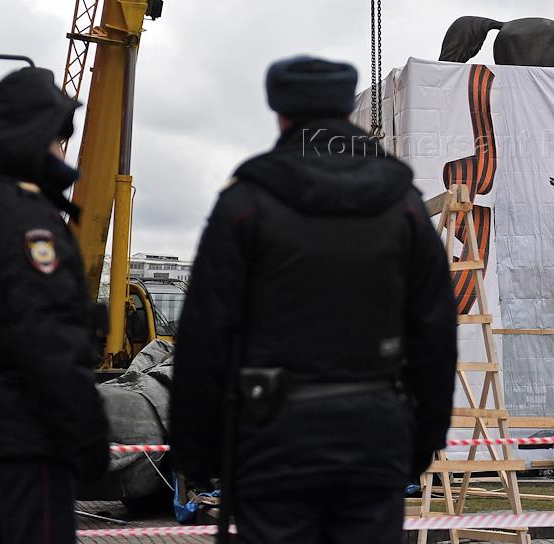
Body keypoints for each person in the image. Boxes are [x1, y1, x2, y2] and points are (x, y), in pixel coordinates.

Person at [170, 55, 457, 544]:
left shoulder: (245, 203)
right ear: (347, 108)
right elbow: (435, 334)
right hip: (374, 433)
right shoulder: (403, 204)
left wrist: (196, 456)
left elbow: (203, 338)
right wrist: (421, 443)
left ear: (279, 111)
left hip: (272, 435)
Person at [0, 67, 109, 544]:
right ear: (30, 137)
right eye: (56, 139)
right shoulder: (21, 214)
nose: (61, 153)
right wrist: (90, 435)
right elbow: (45, 333)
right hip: (30, 430)